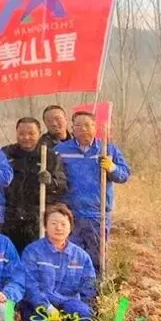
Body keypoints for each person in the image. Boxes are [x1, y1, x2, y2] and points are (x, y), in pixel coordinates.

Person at [55, 111, 131, 271]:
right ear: (72, 128)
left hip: (98, 213)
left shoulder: (107, 150)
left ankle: (97, 285)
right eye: (78, 125)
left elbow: (124, 175)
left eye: (87, 125)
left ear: (95, 127)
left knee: (97, 257)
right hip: (70, 213)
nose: (83, 129)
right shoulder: (61, 150)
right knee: (70, 256)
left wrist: (112, 168)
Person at [20, 203, 97, 321]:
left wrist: (84, 315)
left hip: (68, 305)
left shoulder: (81, 256)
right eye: (54, 223)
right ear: (45, 226)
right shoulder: (32, 252)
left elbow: (89, 288)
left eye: (63, 224)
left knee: (83, 312)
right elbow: (30, 288)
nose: (59, 228)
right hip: (37, 308)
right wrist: (49, 309)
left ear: (70, 227)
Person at [2, 117, 68, 253]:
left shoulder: (50, 157)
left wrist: (50, 182)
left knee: (35, 255)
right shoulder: (6, 154)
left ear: (39, 133)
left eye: (31, 133)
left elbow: (62, 185)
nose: (26, 137)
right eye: (22, 133)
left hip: (38, 217)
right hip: (10, 217)